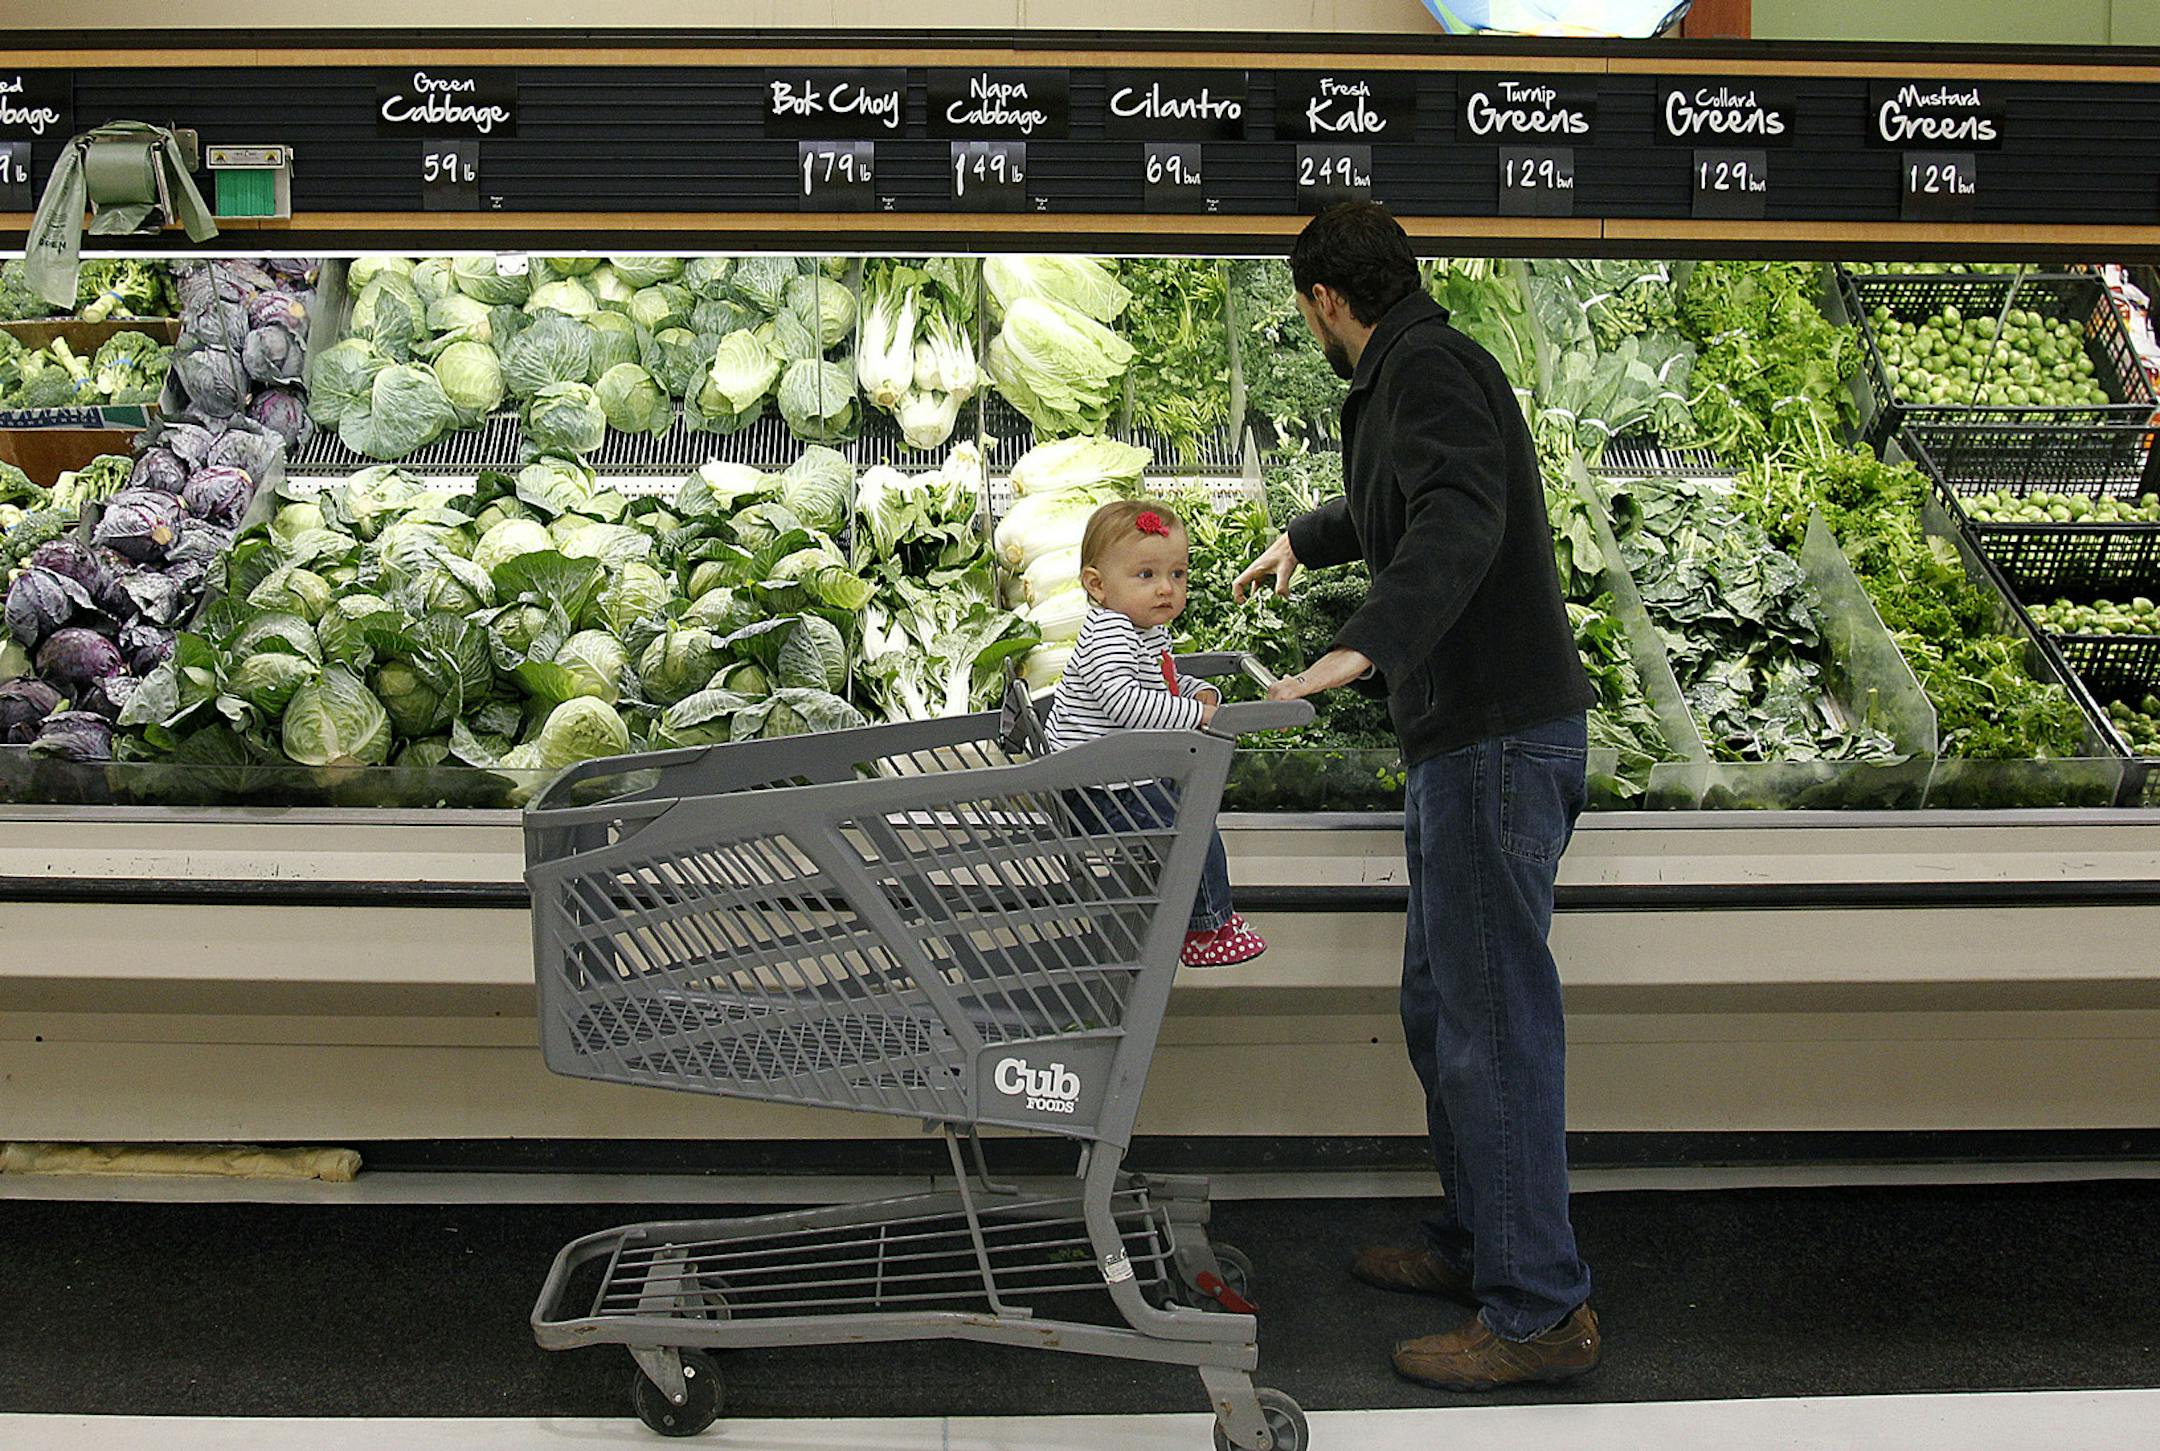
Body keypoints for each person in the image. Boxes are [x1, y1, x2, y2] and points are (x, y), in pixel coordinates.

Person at [1233, 202, 1602, 1390]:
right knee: (1445, 1012)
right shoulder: (1414, 366)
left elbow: (1458, 517)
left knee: (1492, 1028)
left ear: (1323, 302)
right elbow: (1408, 497)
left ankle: (1540, 1309)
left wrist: (1361, 646)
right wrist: (1310, 535)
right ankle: (1479, 1247)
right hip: (1468, 743)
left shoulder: (1430, 368)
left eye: (1307, 315)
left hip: (1496, 739)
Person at [1047, 499, 1266, 969]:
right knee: (1189, 828)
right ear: (1097, 585)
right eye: (1146, 575)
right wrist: (1195, 716)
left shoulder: (1141, 630)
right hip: (1095, 789)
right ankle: (1209, 927)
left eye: (1178, 574)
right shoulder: (1110, 634)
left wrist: (1195, 689)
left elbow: (1156, 683)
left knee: (1190, 815)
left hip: (1115, 777)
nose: (1166, 589)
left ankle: (1205, 918)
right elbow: (1124, 702)